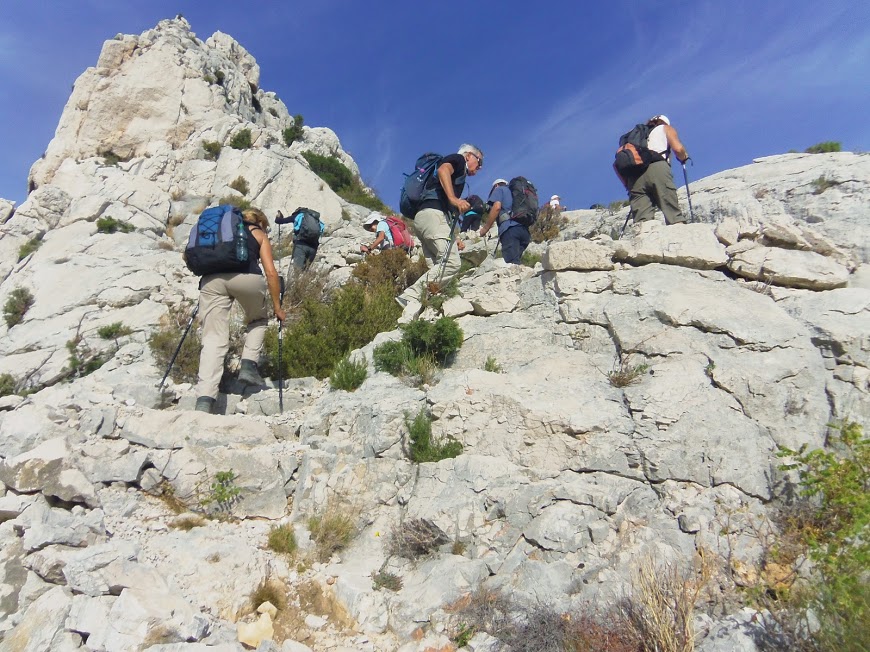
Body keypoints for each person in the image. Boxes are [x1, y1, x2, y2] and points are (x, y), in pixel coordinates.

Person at [194, 207, 286, 413]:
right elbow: (271, 273)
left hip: (211, 281)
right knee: (259, 320)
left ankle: (204, 400)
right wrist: (277, 307)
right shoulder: (258, 233)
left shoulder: (219, 231)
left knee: (212, 340)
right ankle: (248, 366)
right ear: (261, 222)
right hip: (248, 278)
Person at [395, 143, 483, 321]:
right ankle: (410, 296)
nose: (479, 168)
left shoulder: (456, 178)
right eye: (479, 162)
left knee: (438, 268)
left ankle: (423, 313)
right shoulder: (458, 160)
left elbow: (447, 211)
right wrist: (454, 198)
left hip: (424, 219)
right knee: (451, 264)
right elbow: (443, 170)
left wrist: (455, 237)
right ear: (468, 156)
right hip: (433, 217)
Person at [627, 115, 689, 226]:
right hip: (658, 167)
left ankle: (644, 238)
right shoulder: (665, 128)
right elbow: (678, 149)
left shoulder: (634, 136)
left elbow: (617, 164)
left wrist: (629, 186)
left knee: (642, 223)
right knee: (672, 214)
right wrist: (684, 157)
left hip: (635, 176)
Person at [479, 178, 531, 265]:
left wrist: (485, 228)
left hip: (510, 230)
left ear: (496, 185)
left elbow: (497, 207)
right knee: (516, 262)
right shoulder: (515, 192)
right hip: (524, 231)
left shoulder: (499, 189)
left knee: (511, 264)